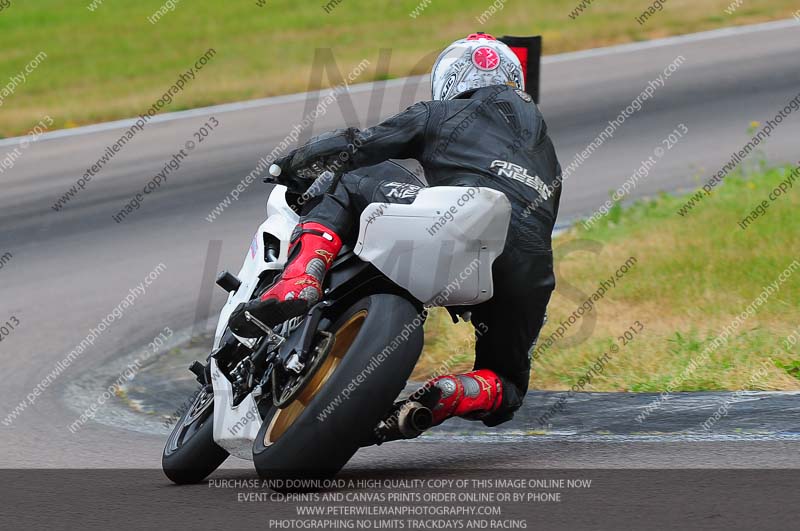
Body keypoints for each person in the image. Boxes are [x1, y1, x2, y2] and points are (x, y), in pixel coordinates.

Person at [230, 33, 562, 428]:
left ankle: (301, 278)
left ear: (451, 79)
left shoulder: (439, 113)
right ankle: (455, 393)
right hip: (528, 270)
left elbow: (357, 145)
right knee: (507, 387)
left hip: (458, 221)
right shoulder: (549, 158)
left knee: (349, 174)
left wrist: (291, 165)